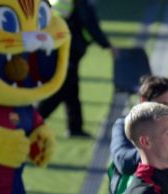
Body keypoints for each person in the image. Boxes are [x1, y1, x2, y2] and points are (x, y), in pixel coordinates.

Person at [39, 0, 116, 138]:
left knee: (72, 91)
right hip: (67, 50)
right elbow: (89, 23)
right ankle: (34, 122)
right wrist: (106, 45)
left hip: (60, 47)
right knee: (60, 91)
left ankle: (75, 128)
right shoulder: (81, 3)